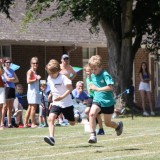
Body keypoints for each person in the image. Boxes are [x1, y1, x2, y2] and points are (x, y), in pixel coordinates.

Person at [87, 55, 123, 143]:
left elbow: (110, 87)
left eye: (95, 69)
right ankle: (92, 135)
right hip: (97, 100)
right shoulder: (92, 75)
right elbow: (94, 85)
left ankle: (118, 126)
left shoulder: (105, 74)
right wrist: (92, 88)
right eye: (92, 69)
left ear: (100, 67)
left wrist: (98, 89)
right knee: (91, 114)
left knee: (107, 123)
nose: (93, 71)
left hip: (108, 102)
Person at [44, 59, 80, 146]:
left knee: (72, 123)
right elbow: (53, 87)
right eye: (49, 73)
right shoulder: (49, 78)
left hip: (67, 104)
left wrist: (62, 97)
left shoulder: (64, 78)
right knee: (50, 118)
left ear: (58, 71)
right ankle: (52, 138)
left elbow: (70, 89)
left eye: (52, 73)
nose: (51, 75)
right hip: (56, 103)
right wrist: (50, 94)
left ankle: (76, 116)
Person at [83, 64, 105, 135]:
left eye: (89, 71)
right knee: (87, 111)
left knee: (97, 115)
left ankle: (101, 129)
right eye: (86, 71)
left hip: (96, 96)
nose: (87, 72)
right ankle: (93, 123)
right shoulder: (87, 78)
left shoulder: (94, 78)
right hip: (90, 96)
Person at [24, 57, 41, 128]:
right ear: (31, 64)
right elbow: (28, 81)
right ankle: (33, 124)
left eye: (36, 63)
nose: (35, 64)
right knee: (33, 108)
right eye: (34, 63)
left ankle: (25, 123)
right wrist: (36, 79)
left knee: (30, 108)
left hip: (35, 91)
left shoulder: (34, 72)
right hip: (32, 92)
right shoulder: (30, 71)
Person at [1, 57, 19, 128]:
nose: (8, 64)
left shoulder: (12, 70)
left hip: (12, 88)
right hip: (6, 89)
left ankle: (9, 123)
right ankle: (2, 123)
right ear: (4, 63)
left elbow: (17, 80)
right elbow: (7, 79)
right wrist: (12, 79)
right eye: (7, 62)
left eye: (9, 62)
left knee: (10, 107)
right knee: (4, 106)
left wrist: (11, 79)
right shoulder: (3, 70)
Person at [0, 58, 5, 129]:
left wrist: (1, 65)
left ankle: (1, 123)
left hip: (1, 86)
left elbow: (2, 72)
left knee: (1, 106)